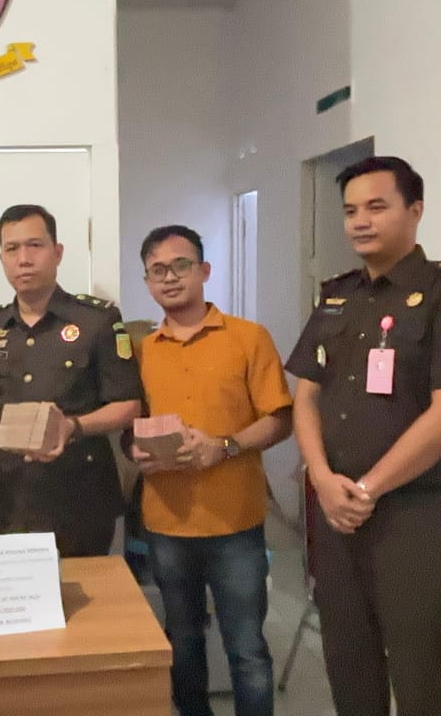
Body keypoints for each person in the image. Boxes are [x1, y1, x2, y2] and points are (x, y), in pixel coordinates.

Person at [285, 156, 441, 716]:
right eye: (351, 210)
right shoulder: (337, 296)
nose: (360, 221)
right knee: (346, 659)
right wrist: (322, 477)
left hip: (411, 515)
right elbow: (306, 396)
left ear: (415, 210)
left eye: (376, 207)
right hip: (335, 512)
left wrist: (367, 488)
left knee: (415, 670)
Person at [132, 225, 292, 716]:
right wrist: (134, 449)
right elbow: (130, 422)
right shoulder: (140, 350)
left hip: (234, 523)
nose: (170, 277)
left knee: (246, 648)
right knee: (181, 642)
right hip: (167, 521)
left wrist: (224, 446)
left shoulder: (247, 338)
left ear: (204, 270)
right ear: (147, 282)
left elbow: (280, 419)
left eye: (181, 265)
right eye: (157, 270)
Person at [0, 204, 142, 557]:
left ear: (57, 252)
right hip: (5, 501)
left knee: (82, 593)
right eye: (12, 249)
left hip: (78, 498)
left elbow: (128, 405)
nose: (24, 259)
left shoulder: (97, 320)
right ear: (1, 258)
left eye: (35, 245)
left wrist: (72, 426)